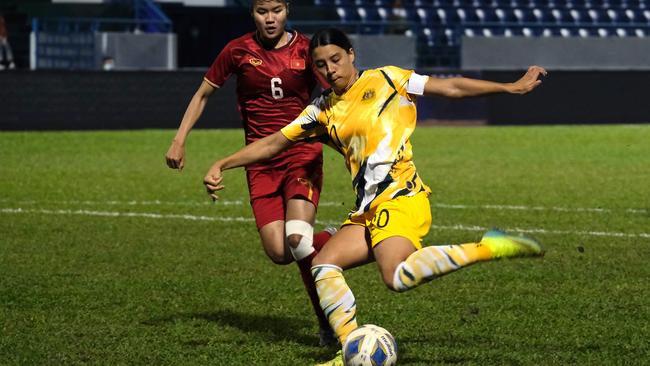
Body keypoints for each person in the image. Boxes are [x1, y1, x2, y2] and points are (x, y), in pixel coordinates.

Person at [202, 27, 547, 365]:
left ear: (351, 54)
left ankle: (487, 246)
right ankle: (349, 348)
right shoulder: (321, 108)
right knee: (323, 266)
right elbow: (275, 142)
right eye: (320, 65)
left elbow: (451, 87)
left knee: (396, 277)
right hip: (368, 210)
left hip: (401, 197)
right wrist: (224, 163)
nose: (329, 70)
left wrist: (509, 87)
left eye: (335, 59)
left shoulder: (388, 79)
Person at [165, 0, 336, 346]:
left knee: (298, 241)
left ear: (287, 9)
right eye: (262, 11)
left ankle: (328, 324)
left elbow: (336, 93)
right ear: (252, 13)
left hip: (301, 154)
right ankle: (330, 239)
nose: (270, 18)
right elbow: (202, 95)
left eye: (276, 10)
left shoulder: (306, 49)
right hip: (259, 161)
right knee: (279, 252)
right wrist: (179, 140)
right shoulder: (237, 50)